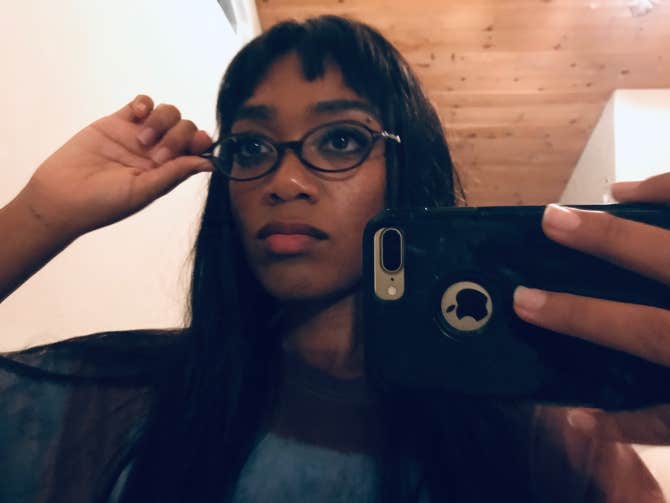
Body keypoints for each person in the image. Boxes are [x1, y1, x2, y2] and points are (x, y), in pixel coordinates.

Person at [0, 14, 668, 503]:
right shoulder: (118, 397)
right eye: (252, 147)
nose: (284, 181)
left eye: (341, 139)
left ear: (406, 167)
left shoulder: (555, 437)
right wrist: (38, 215)